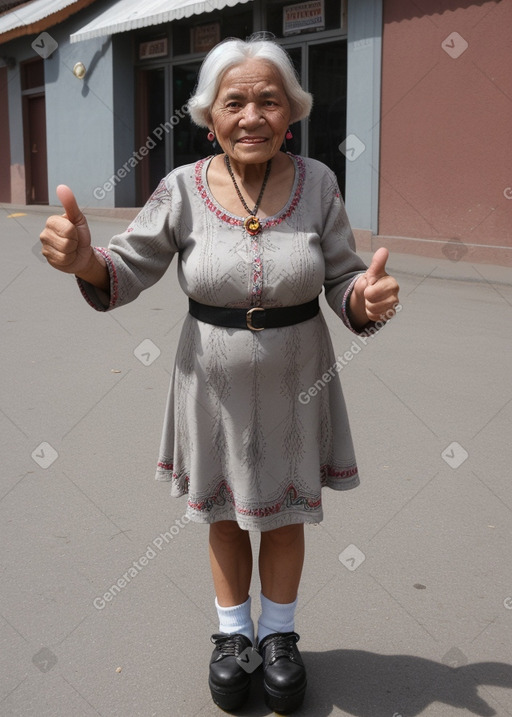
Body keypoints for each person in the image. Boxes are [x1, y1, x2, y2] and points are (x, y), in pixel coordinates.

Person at [40, 36, 399, 713]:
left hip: (300, 378)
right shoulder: (180, 188)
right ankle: (234, 637)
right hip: (210, 380)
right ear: (210, 117)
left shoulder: (320, 181)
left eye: (269, 100)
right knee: (226, 516)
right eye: (235, 101)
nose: (253, 115)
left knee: (287, 511)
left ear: (290, 113)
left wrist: (365, 299)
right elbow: (123, 269)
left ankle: (280, 635)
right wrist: (85, 259)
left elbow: (347, 278)